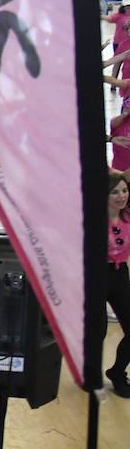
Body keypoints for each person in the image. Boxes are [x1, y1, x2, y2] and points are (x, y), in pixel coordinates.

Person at [104, 169, 130, 398]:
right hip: (95, 275)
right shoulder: (91, 219)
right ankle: (88, 373)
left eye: (124, 190)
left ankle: (117, 372)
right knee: (96, 330)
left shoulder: (128, 217)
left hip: (120, 273)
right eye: (115, 192)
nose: (122, 196)